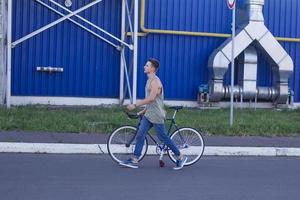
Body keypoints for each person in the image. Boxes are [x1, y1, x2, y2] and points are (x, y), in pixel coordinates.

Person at [119, 58, 187, 170]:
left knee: (163, 137)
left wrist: (135, 105)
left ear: (152, 69)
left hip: (157, 115)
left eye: (147, 65)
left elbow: (151, 99)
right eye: (145, 65)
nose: (144, 67)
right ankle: (135, 159)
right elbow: (151, 102)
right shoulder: (149, 81)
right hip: (149, 114)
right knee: (141, 134)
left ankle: (180, 157)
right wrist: (143, 111)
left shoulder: (156, 82)